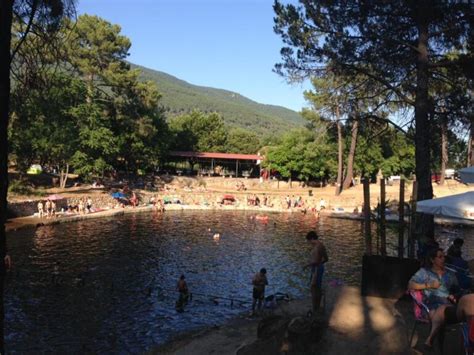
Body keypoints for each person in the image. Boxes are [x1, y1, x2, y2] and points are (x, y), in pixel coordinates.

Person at [408, 248, 459, 348]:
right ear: (432, 260)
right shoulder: (424, 272)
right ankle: (437, 346)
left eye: (444, 256)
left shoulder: (450, 274)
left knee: (438, 311)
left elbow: (457, 290)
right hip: (430, 303)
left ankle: (430, 340)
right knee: (435, 313)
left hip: (446, 303)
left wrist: (454, 295)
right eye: (440, 257)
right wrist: (428, 285)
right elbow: (410, 285)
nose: (443, 259)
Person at [304, 231, 328, 314]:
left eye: (309, 241)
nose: (309, 243)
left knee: (313, 288)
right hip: (319, 268)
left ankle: (315, 309)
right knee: (317, 288)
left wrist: (307, 265)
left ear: (312, 238)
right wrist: (320, 264)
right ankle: (316, 308)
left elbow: (316, 261)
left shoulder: (317, 247)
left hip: (316, 269)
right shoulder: (321, 245)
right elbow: (326, 259)